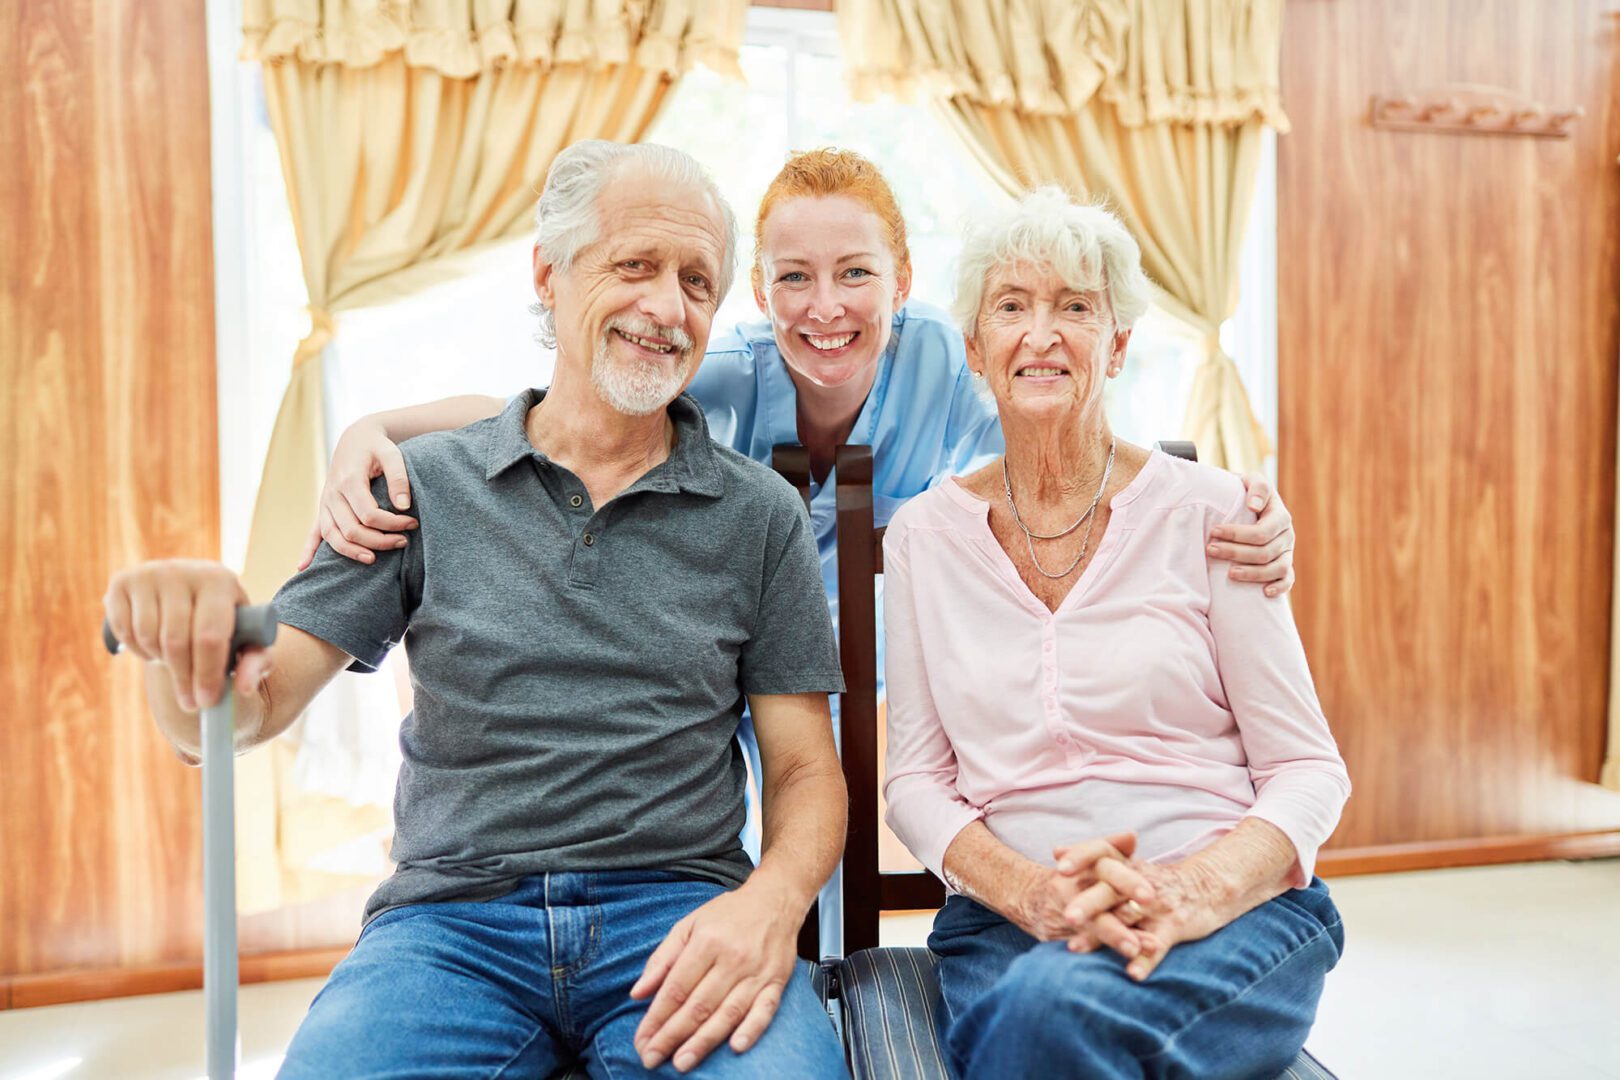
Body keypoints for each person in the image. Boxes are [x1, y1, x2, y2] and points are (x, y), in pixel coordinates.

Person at [298, 150, 1300, 862]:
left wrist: (1220, 500)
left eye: (856, 275)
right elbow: (563, 414)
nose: (826, 310)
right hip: (751, 641)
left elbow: (1073, 463)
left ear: (902, 282)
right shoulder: (724, 371)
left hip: (892, 644)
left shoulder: (949, 365)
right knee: (752, 784)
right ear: (762, 294)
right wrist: (370, 428)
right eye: (794, 281)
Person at [102, 141, 851, 1078]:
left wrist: (771, 905)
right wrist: (185, 651)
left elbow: (804, 772)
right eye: (634, 266)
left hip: (676, 914)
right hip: (448, 930)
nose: (669, 307)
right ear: (549, 272)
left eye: (697, 282)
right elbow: (241, 713)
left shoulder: (758, 514)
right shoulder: (422, 486)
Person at [882, 187, 1350, 1079]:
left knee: (1044, 1021)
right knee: (1041, 1008)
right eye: (1012, 307)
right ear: (976, 349)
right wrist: (1034, 894)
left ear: (1120, 344)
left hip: (1235, 911)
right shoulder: (923, 540)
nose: (1043, 333)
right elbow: (915, 780)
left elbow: (1307, 767)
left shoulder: (1217, 513)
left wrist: (1189, 891)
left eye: (1076, 307)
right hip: (1009, 921)